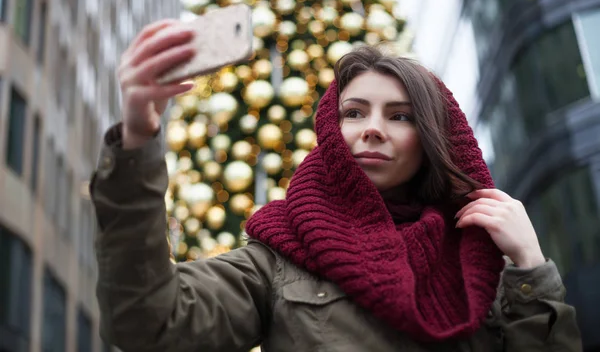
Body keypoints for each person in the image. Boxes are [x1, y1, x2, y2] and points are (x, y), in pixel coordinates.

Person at [91, 19, 582, 351]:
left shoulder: (486, 262)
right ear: (331, 129)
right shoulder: (280, 259)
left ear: (431, 138)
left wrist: (531, 268)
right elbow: (147, 320)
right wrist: (138, 138)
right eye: (353, 112)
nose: (371, 127)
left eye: (400, 115)